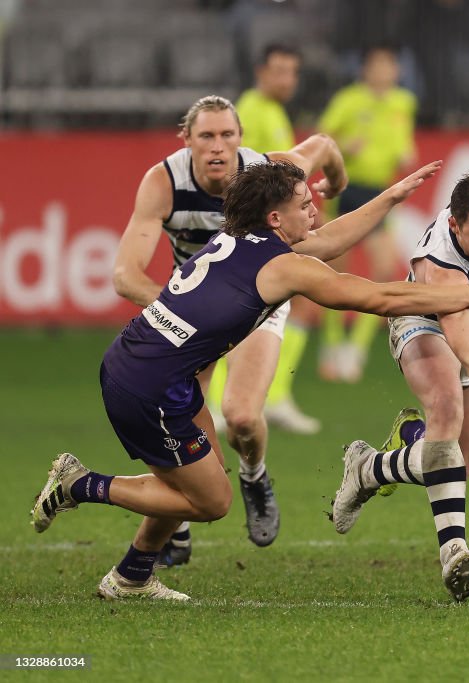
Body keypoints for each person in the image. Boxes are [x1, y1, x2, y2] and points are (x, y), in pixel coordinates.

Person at [31, 159, 469, 601]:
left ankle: (132, 575)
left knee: (193, 478)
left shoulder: (240, 238)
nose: (314, 209)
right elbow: (375, 296)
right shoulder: (282, 266)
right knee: (211, 501)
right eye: (303, 204)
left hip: (144, 365)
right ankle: (78, 483)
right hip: (150, 387)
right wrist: (464, 293)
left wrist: (390, 197)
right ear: (276, 218)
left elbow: (329, 241)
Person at [111, 95, 346, 563]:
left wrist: (335, 183)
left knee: (240, 416)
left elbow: (321, 145)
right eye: (206, 136)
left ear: (241, 139)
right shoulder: (164, 182)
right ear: (187, 140)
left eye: (227, 136)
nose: (218, 147)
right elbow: (126, 275)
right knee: (178, 428)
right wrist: (183, 312)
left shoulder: (263, 173)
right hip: (195, 317)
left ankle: (254, 475)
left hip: (260, 303)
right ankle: (170, 533)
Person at [329, 171, 469, 602]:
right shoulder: (440, 267)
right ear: (453, 225)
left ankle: (369, 468)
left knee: (462, 459)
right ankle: (454, 551)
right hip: (425, 316)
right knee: (446, 408)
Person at [228, 43, 324, 435]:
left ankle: (266, 395)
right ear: (260, 71)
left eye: (292, 72)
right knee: (291, 307)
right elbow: (241, 176)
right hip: (262, 233)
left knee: (287, 309)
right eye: (279, 71)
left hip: (274, 228)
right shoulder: (252, 110)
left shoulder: (271, 110)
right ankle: (265, 397)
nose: (286, 80)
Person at [317, 44, 418, 383]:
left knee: (385, 269)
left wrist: (406, 152)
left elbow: (403, 140)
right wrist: (345, 147)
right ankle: (332, 343)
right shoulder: (349, 99)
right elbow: (323, 137)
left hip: (379, 192)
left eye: (389, 65)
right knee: (334, 274)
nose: (383, 71)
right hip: (347, 190)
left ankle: (355, 349)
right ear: (365, 70)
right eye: (377, 65)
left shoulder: (403, 102)